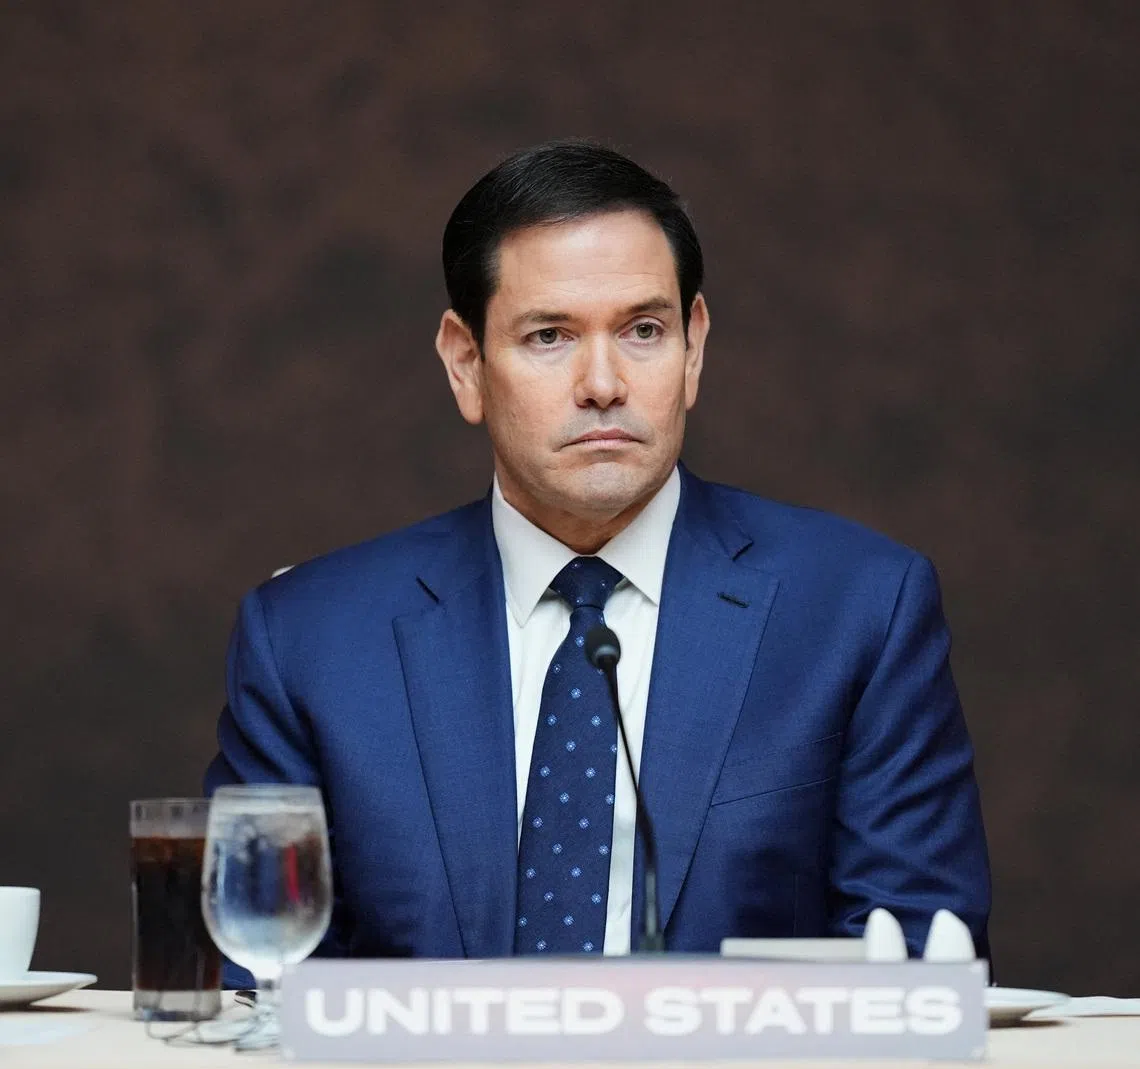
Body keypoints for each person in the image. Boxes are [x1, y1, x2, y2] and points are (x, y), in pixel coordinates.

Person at [205, 140, 990, 977]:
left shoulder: (858, 609)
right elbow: (254, 983)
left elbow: (917, 960)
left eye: (643, 330)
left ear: (694, 348)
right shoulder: (310, 640)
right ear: (465, 363)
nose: (604, 383)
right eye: (550, 336)